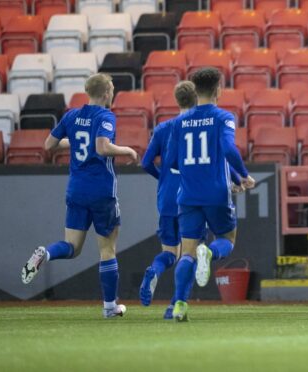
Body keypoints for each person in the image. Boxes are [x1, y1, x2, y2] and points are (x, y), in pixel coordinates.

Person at [21, 73, 138, 318]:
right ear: (106, 93)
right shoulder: (105, 116)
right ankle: (109, 307)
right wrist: (127, 150)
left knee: (72, 247)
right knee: (107, 248)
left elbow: (48, 146)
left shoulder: (72, 115)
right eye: (112, 90)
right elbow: (102, 147)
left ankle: (46, 252)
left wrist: (73, 141)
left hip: (76, 190)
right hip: (101, 190)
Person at [165, 67, 255, 322]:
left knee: (187, 253)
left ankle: (179, 305)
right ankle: (211, 253)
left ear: (195, 91)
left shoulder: (179, 122)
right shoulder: (223, 117)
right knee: (226, 237)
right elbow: (228, 148)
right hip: (216, 193)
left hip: (188, 196)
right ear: (218, 90)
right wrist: (243, 175)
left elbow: (171, 162)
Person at [139, 81, 197, 318]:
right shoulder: (197, 127)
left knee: (170, 252)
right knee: (188, 254)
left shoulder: (163, 128)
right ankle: (175, 304)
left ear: (177, 100)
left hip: (166, 196)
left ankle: (154, 269)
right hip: (191, 195)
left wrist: (162, 178)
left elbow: (145, 163)